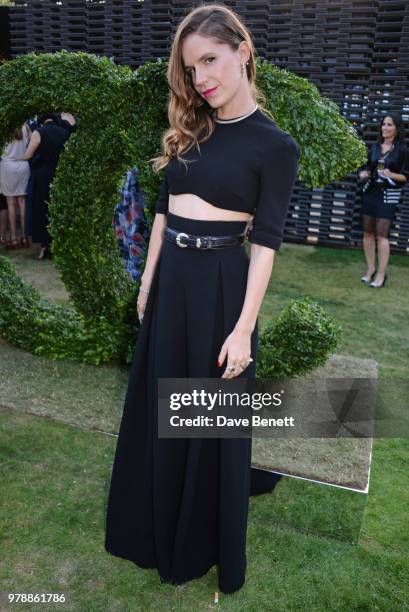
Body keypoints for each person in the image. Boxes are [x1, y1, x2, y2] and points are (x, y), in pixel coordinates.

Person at [104, 3, 300, 596]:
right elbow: (163, 212)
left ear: (242, 51)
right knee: (160, 411)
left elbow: (265, 245)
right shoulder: (194, 130)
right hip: (172, 286)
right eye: (191, 69)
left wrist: (243, 329)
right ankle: (150, 526)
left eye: (210, 60)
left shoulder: (275, 146)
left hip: (221, 286)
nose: (201, 78)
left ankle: (197, 539)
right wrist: (147, 283)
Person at [358, 113, 409, 287]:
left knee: (381, 235)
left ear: (397, 128)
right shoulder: (374, 147)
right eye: (383, 124)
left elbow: (405, 177)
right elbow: (367, 168)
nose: (385, 128)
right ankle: (370, 269)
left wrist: (391, 174)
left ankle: (381, 274)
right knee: (368, 234)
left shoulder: (402, 150)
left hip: (389, 195)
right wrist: (363, 173)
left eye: (389, 125)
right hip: (371, 193)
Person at [20, 112, 70, 260]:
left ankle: (44, 247)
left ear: (42, 121)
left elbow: (28, 155)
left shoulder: (39, 132)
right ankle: (57, 245)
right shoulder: (65, 132)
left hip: (42, 176)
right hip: (59, 175)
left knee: (42, 210)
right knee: (57, 209)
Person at [0, 124, 31, 249]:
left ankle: (13, 239)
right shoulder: (26, 126)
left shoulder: (4, 126)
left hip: (8, 165)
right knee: (22, 203)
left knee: (10, 203)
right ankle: (24, 237)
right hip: (23, 165)